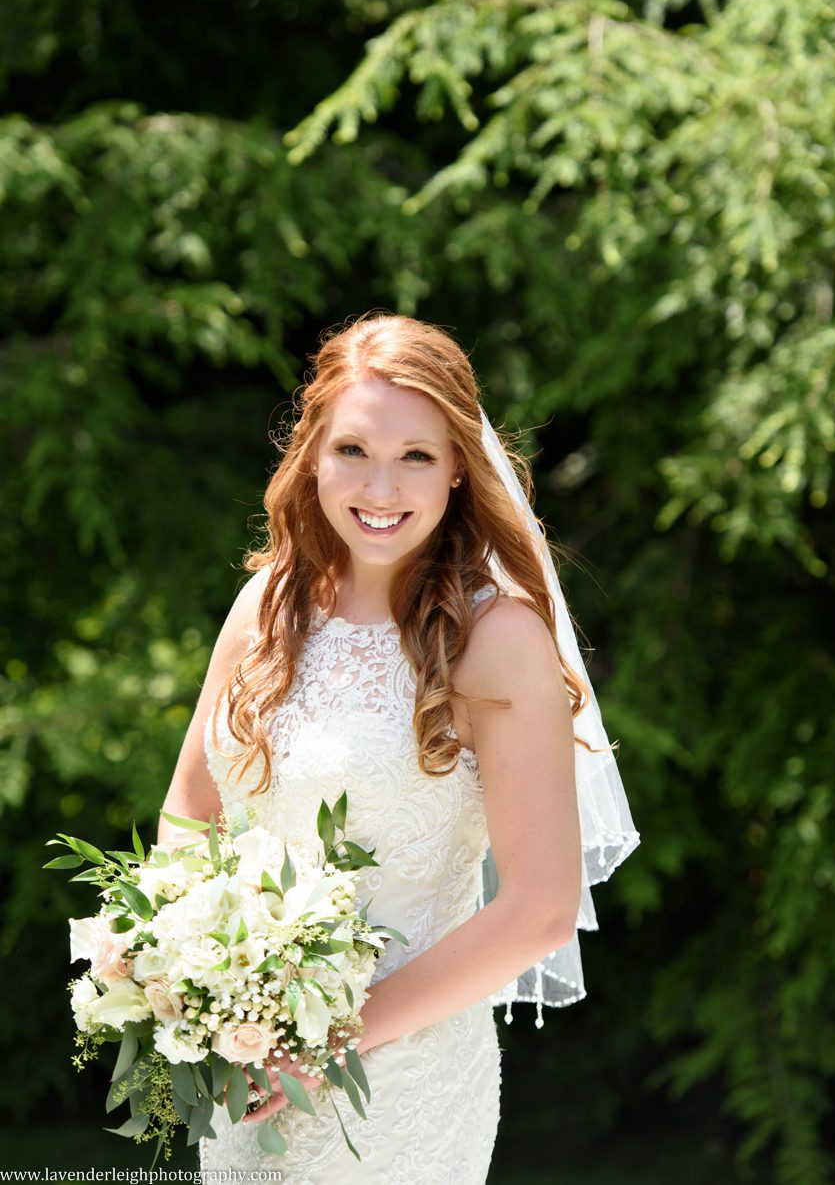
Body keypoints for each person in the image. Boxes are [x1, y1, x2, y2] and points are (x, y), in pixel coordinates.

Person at [158, 311, 639, 1183]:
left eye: (415, 455)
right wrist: (199, 982)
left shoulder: (497, 640)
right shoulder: (265, 605)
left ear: (460, 466)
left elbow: (538, 906)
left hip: (401, 1091)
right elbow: (191, 812)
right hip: (246, 1066)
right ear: (312, 455)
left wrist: (329, 1041)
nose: (381, 487)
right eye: (353, 451)